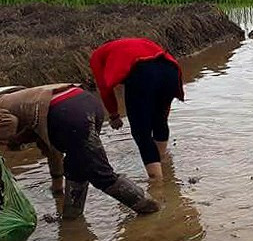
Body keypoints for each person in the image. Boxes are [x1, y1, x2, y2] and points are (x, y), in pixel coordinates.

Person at [0, 84, 158, 218]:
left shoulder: (7, 106)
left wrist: (7, 144)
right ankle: (71, 218)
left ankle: (150, 208)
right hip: (86, 102)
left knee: (100, 173)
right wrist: (57, 188)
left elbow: (9, 123)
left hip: (69, 113)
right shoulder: (29, 104)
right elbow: (53, 152)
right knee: (76, 167)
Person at [90, 37, 184, 180]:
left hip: (142, 73)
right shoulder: (138, 42)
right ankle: (163, 162)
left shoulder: (98, 54)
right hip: (171, 70)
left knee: (141, 132)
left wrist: (114, 115)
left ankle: (157, 185)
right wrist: (162, 111)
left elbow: (104, 89)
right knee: (160, 121)